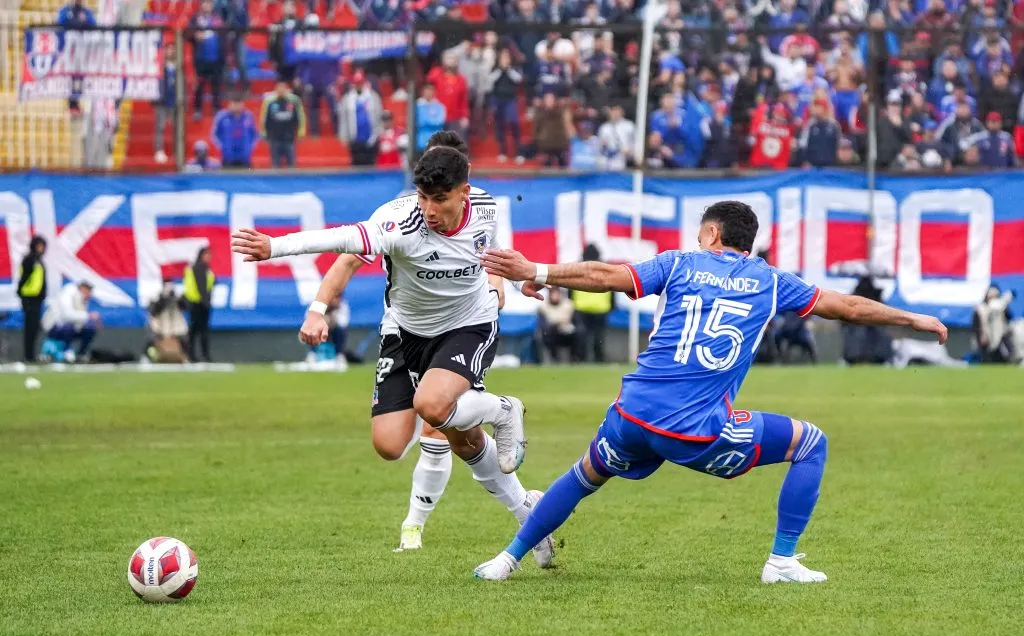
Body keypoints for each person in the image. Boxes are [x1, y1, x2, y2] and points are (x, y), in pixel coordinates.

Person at [474, 200, 947, 583]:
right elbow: (844, 306)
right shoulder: (770, 280)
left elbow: (603, 277)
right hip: (694, 432)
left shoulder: (679, 264)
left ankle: (506, 559)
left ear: (713, 235)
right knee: (810, 443)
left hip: (631, 416)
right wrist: (912, 319)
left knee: (585, 475)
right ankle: (781, 562)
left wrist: (534, 268)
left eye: (701, 232)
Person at [233, 141, 554, 563]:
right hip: (407, 335)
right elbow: (342, 240)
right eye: (423, 198)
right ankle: (526, 503)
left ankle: (502, 415)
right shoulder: (398, 223)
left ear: (464, 190)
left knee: (433, 408)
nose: (429, 209)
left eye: (439, 199)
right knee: (409, 443)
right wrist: (275, 248)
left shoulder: (487, 208)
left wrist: (520, 279)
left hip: (468, 325)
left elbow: (489, 253)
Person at [41, 280, 100, 363]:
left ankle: (80, 355)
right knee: (69, 327)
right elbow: (67, 315)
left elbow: (79, 321)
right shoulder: (68, 293)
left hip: (69, 328)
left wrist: (90, 322)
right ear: (82, 288)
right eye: (88, 291)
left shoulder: (83, 300)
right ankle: (65, 351)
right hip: (54, 326)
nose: (89, 294)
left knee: (89, 329)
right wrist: (88, 316)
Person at [260, 78, 306, 168]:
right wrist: (264, 133)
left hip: (289, 137)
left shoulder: (294, 100)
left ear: (287, 88)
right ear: (275, 88)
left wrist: (301, 132)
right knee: (275, 164)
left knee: (291, 165)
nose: (281, 89)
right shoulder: (269, 101)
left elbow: (301, 117)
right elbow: (264, 117)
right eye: (279, 87)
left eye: (283, 87)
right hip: (275, 138)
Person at [17, 236, 47, 363]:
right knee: (30, 328)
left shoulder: (39, 261)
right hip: (29, 298)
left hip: (37, 299)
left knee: (34, 328)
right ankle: (28, 356)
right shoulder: (29, 259)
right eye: (39, 246)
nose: (41, 248)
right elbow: (23, 278)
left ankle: (31, 355)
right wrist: (21, 294)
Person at [146, 279, 189, 363]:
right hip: (160, 325)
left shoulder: (177, 296)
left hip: (175, 325)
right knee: (152, 339)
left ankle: (184, 357)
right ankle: (148, 357)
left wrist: (180, 297)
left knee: (185, 338)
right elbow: (153, 311)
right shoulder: (156, 296)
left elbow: (185, 307)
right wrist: (163, 297)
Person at [183, 247, 215, 362]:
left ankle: (194, 355)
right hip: (198, 304)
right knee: (199, 331)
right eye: (207, 254)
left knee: (196, 331)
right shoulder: (199, 268)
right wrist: (206, 302)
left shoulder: (200, 268)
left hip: (197, 303)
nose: (209, 257)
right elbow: (202, 287)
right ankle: (200, 355)